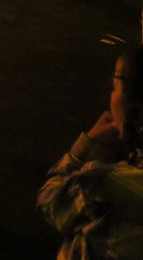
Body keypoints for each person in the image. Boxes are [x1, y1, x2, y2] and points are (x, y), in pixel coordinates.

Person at [37, 44, 143, 260]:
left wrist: (87, 144)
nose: (111, 96)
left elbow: (48, 199)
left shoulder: (104, 182)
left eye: (115, 88)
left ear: (135, 109)